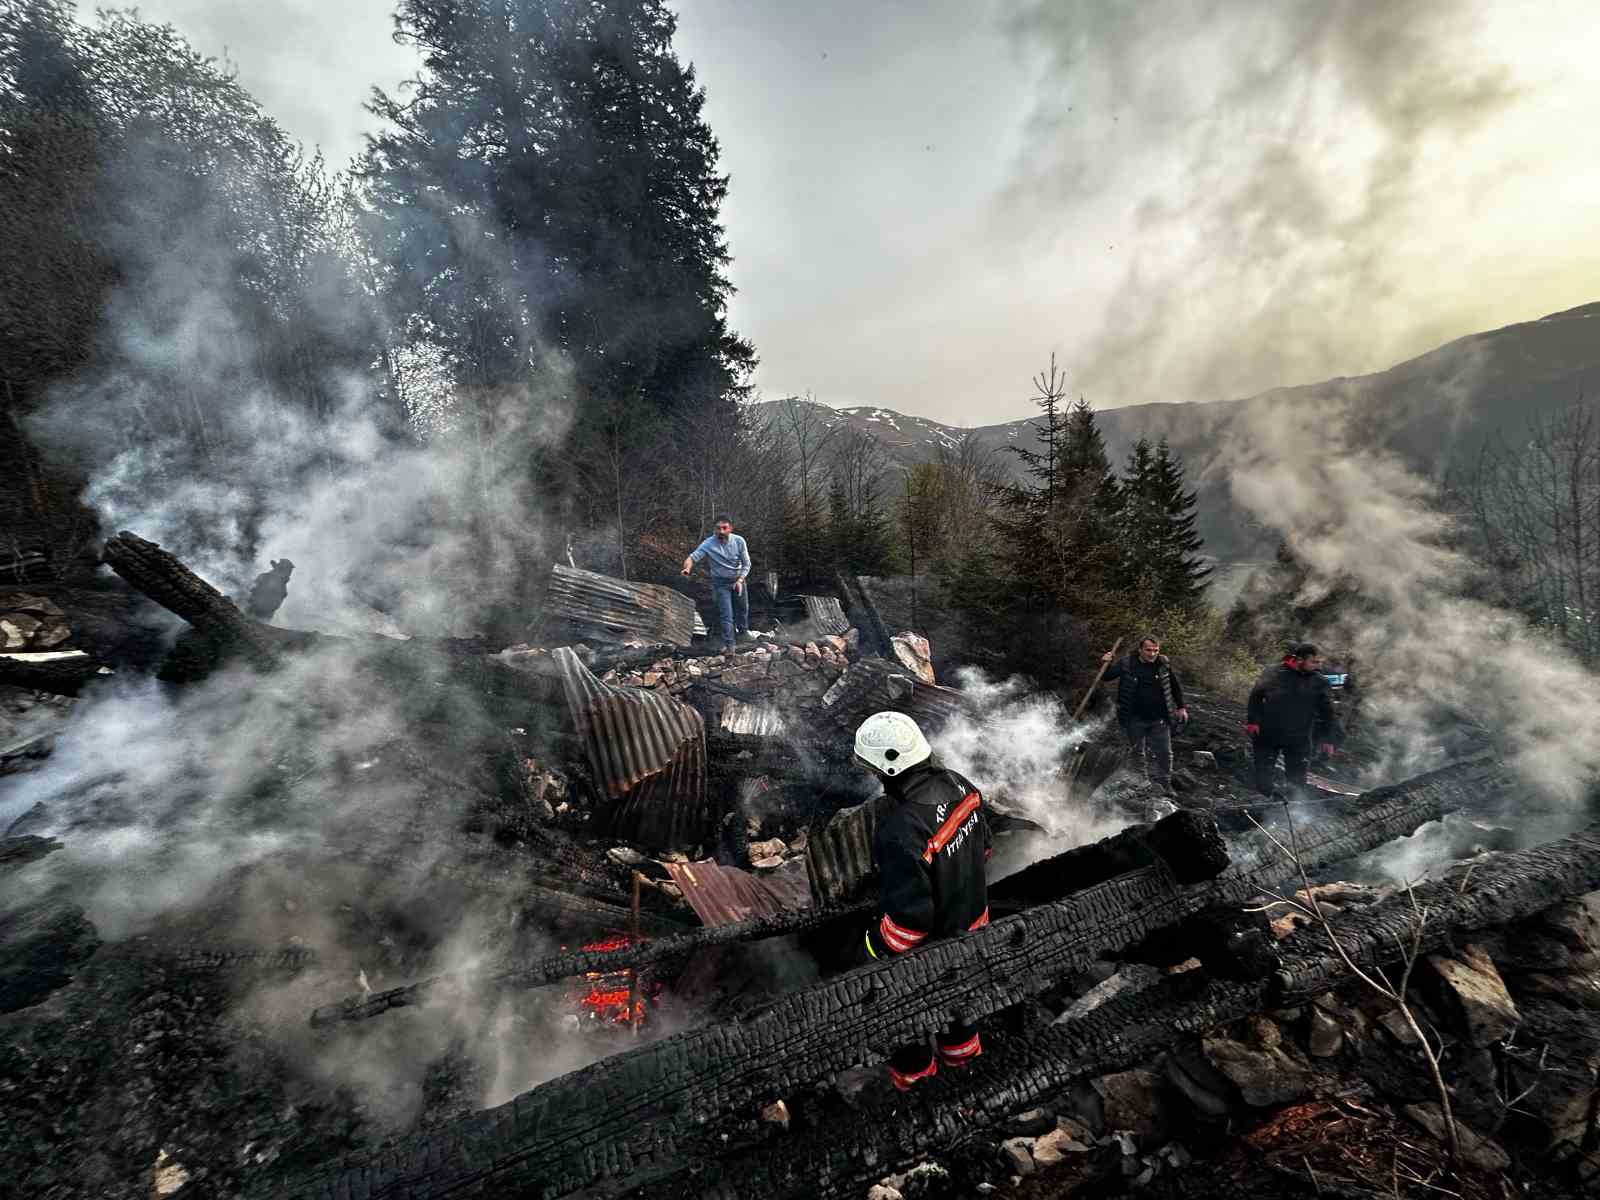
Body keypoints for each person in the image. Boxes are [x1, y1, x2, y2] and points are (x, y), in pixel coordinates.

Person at [854, 711, 992, 1090]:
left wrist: (871, 952)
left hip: (929, 953)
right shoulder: (963, 786)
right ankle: (967, 1076)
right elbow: (984, 851)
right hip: (974, 928)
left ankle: (919, 1090)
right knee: (960, 1009)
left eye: (873, 768)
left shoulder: (901, 829)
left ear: (888, 768)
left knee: (903, 1020)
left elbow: (910, 922)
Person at [1246, 642, 1341, 796]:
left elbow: (1328, 712)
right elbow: (1256, 696)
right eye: (1314, 662)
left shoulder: (1320, 681)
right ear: (1299, 659)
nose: (1317, 666)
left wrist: (1329, 739)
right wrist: (1252, 721)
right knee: (1263, 774)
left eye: (1319, 662)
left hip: (1300, 738)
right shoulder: (1274, 672)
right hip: (1268, 733)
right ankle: (1262, 804)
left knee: (1297, 782)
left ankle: (1292, 812)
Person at [1100, 635, 1189, 794]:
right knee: (1137, 752)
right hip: (1133, 717)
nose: (1152, 654)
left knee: (1164, 753)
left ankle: (1164, 783)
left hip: (1160, 717)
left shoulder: (1163, 663)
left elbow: (1174, 685)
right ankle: (1142, 782)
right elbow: (1106, 677)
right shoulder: (1127, 663)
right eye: (1148, 650)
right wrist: (1107, 662)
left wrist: (1181, 707)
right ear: (1140, 649)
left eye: (1156, 650)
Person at [681, 516, 752, 653]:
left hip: (738, 579)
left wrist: (740, 580)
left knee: (743, 609)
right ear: (714, 530)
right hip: (720, 583)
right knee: (727, 614)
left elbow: (746, 563)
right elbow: (692, 557)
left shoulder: (739, 541)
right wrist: (687, 568)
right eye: (718, 528)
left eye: (724, 528)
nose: (721, 531)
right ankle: (730, 645)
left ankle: (743, 633)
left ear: (730, 529)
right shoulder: (708, 543)